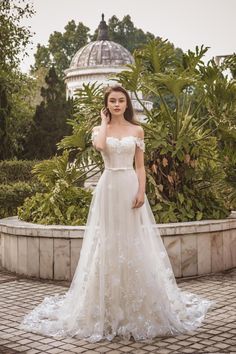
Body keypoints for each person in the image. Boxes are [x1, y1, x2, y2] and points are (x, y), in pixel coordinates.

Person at [20, 85, 214, 343]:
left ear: (127, 103)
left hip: (130, 185)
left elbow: (141, 166)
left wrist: (142, 191)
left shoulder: (137, 130)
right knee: (108, 239)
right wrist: (103, 121)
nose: (117, 104)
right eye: (112, 101)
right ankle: (105, 307)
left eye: (121, 100)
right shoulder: (100, 130)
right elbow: (100, 146)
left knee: (133, 239)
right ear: (107, 104)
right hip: (108, 187)